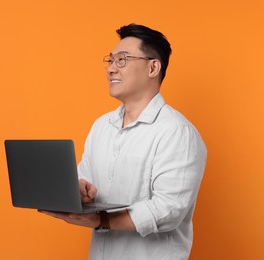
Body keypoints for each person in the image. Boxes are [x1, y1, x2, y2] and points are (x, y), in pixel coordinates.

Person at [41, 23, 207, 260]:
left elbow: (169, 209)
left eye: (122, 60)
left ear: (153, 67)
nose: (111, 69)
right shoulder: (101, 126)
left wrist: (102, 220)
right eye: (110, 60)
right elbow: (84, 177)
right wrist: (78, 190)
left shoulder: (177, 132)